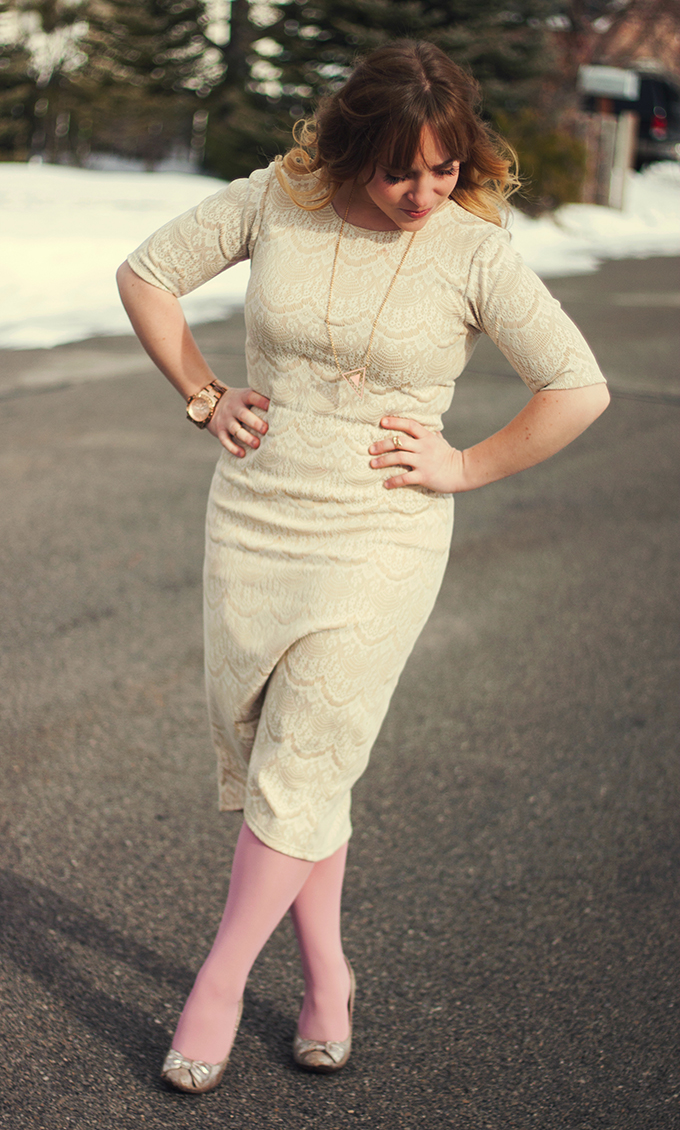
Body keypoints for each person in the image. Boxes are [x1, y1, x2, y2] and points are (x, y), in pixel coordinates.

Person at [117, 39, 609, 1091]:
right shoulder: (277, 198)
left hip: (382, 533)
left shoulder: (472, 250)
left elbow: (577, 386)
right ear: (351, 149)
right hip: (255, 516)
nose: (423, 193)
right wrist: (205, 393)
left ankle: (216, 984)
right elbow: (147, 275)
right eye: (398, 171)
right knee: (293, 755)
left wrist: (464, 465)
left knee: (303, 756)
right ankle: (328, 975)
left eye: (444, 168)